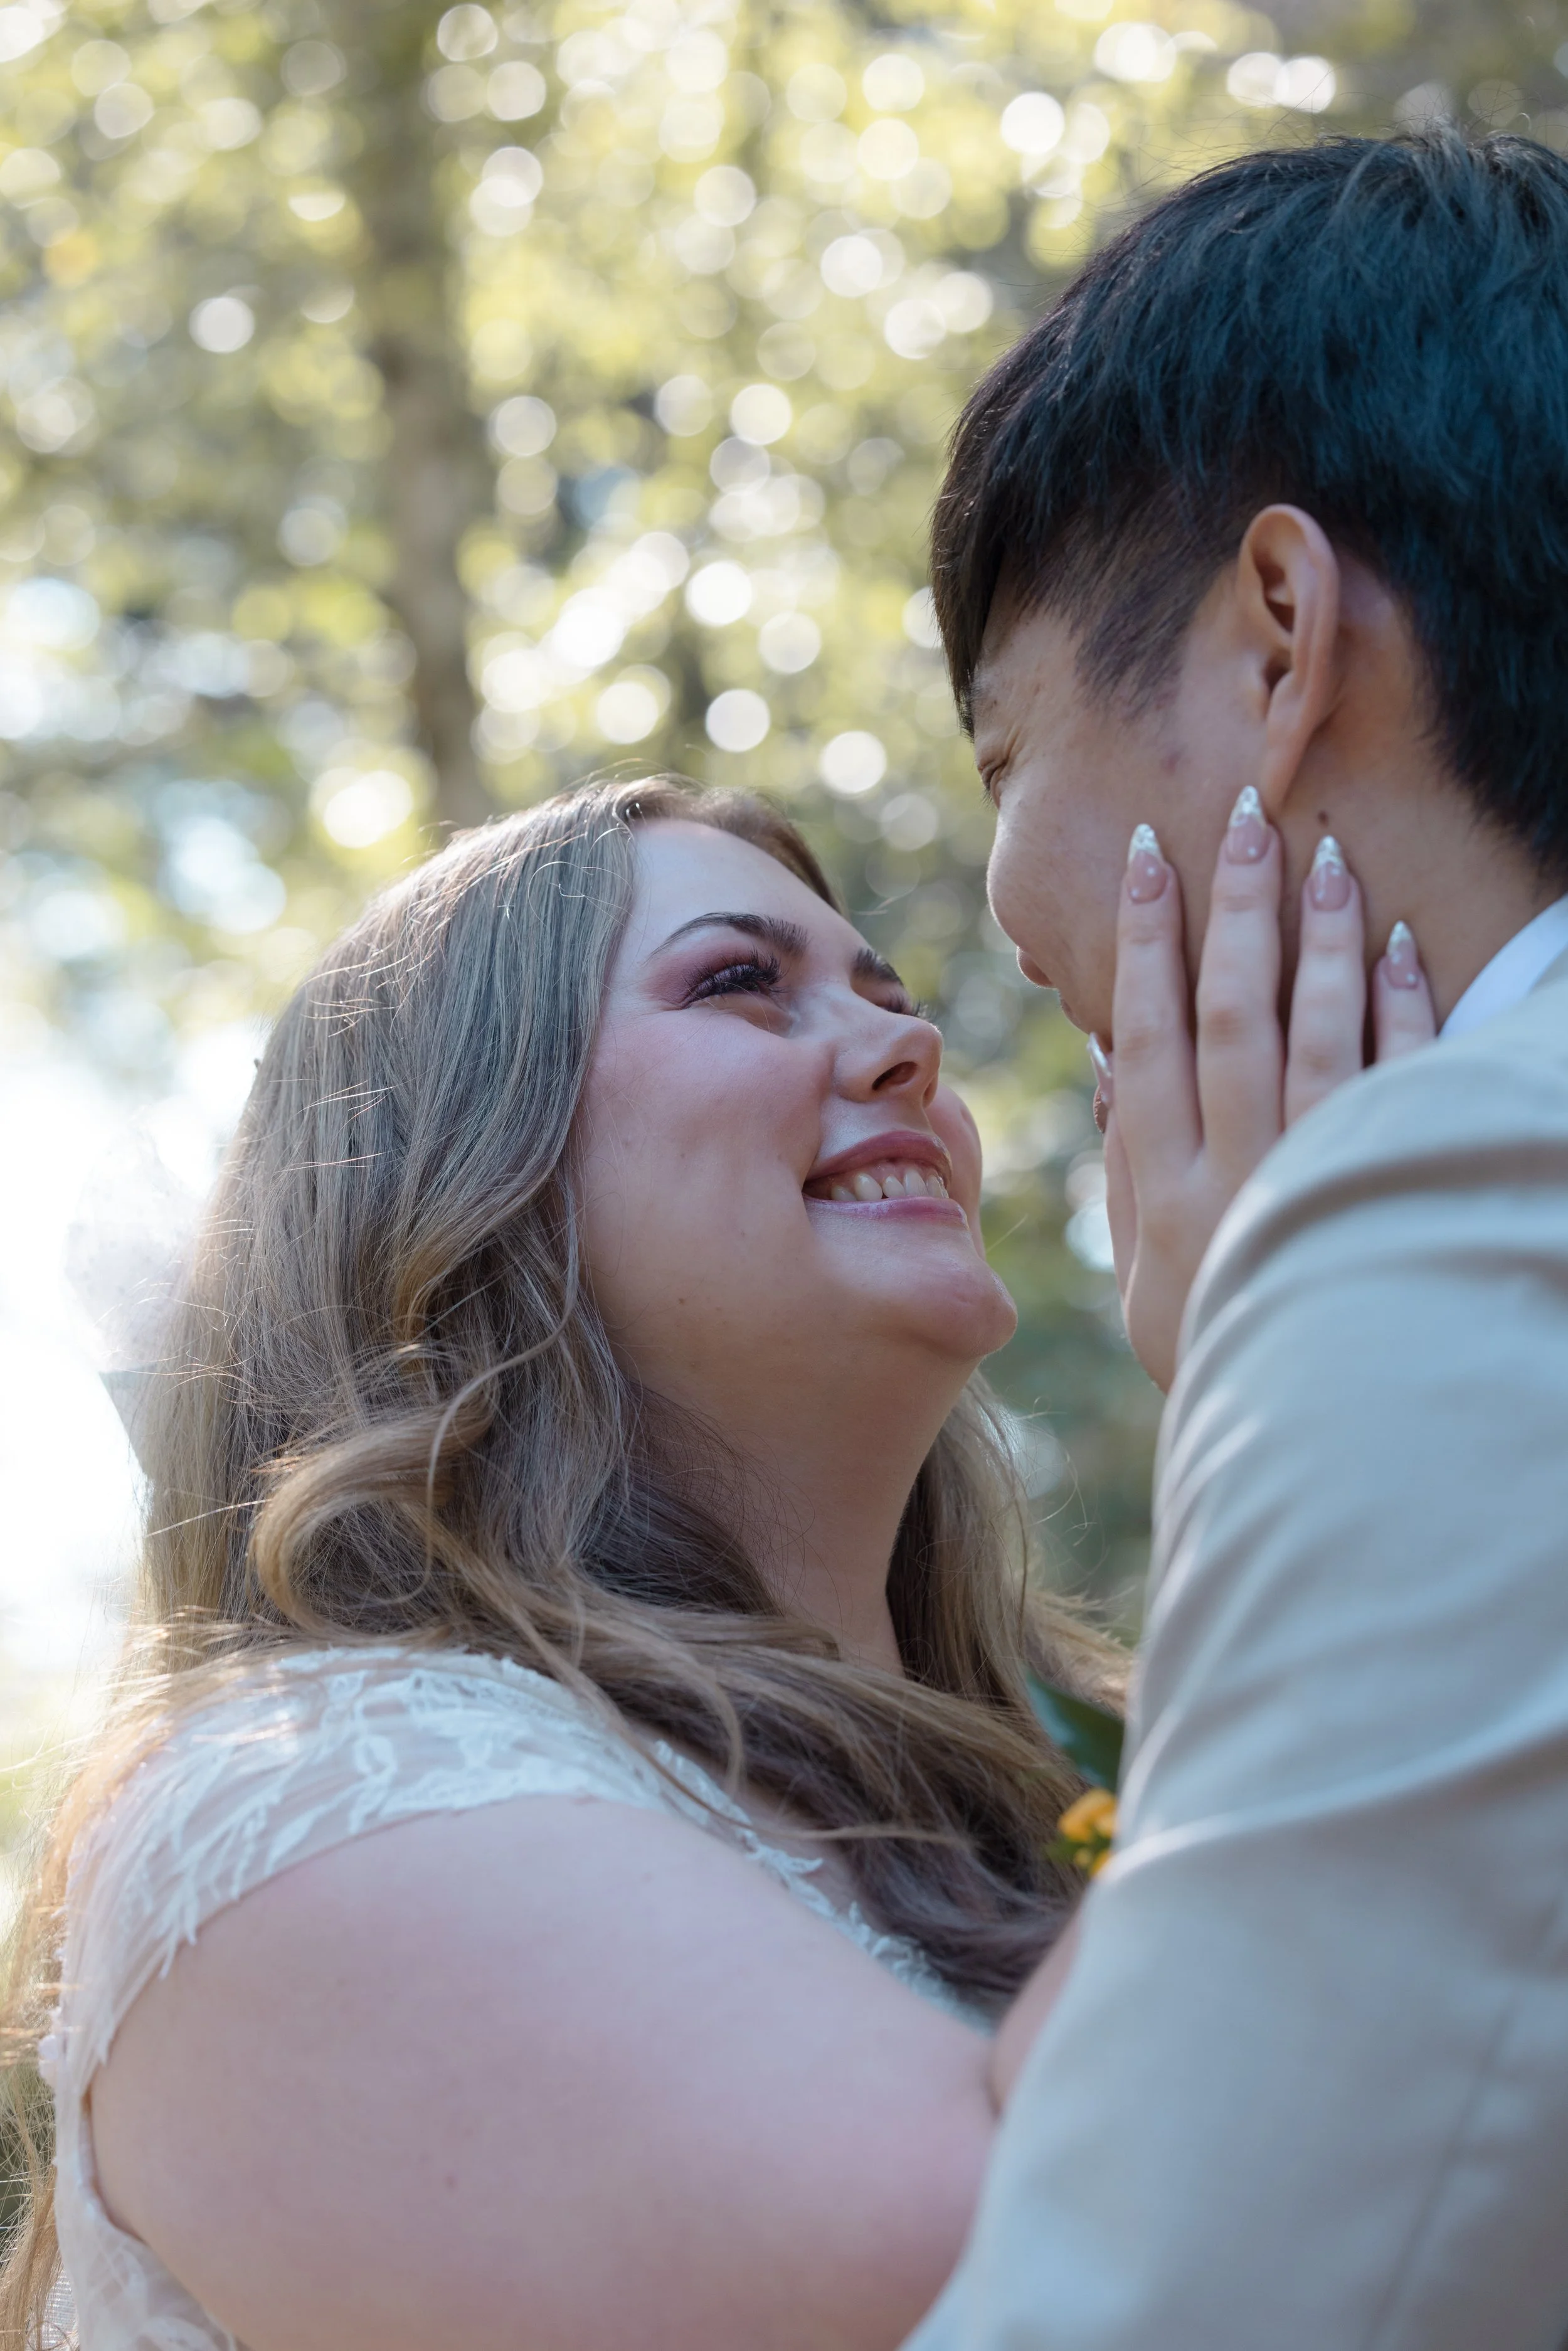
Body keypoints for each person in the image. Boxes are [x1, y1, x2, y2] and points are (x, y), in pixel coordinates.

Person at [0, 772, 1401, 2351]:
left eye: (890, 994)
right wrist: (1318, 1352)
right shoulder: (302, 1796)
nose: (905, 1045)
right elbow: (1057, 2268)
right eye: (740, 982)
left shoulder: (1090, 1764)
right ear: (473, 1153)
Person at [906, 129, 1568, 2351]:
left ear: (1278, 636)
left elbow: (1194, 2286)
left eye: (1005, 757)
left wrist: (1279, 1344)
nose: (1000, 948)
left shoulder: (1458, 1213)